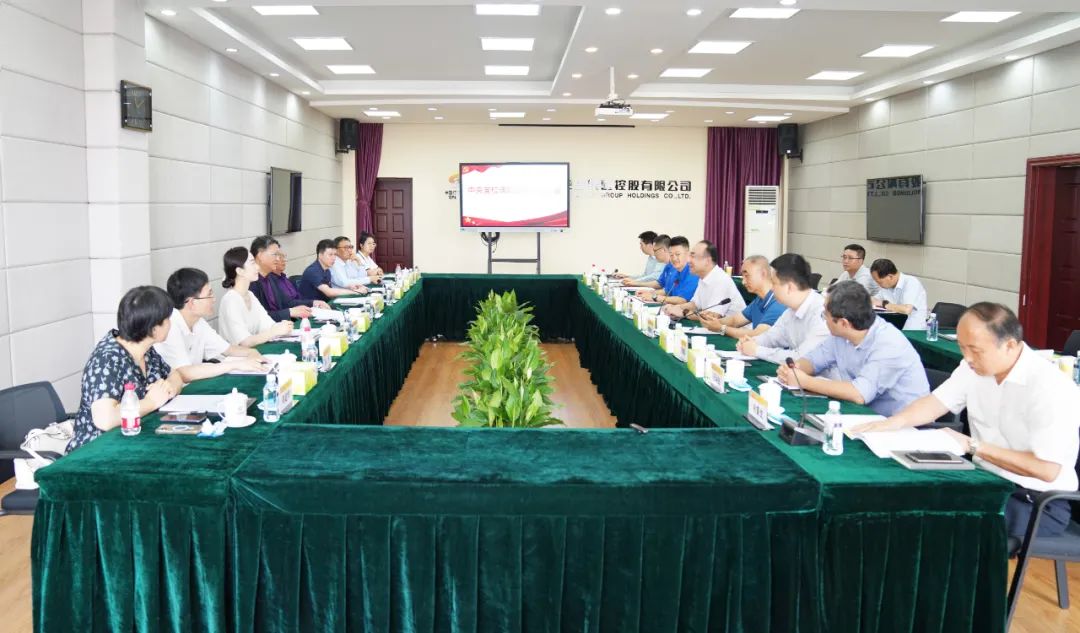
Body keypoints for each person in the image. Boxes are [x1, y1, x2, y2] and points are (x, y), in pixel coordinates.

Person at [854, 303, 1080, 539]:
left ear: (1010, 346)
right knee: (903, 495)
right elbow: (935, 403)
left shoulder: (1050, 388)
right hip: (985, 479)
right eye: (962, 347)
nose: (967, 358)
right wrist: (892, 423)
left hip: (1035, 502)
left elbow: (1046, 470)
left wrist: (973, 446)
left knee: (934, 517)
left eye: (975, 350)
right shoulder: (973, 368)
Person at [778, 281, 929, 416]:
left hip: (905, 425)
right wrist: (793, 370)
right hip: (865, 415)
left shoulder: (889, 343)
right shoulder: (841, 335)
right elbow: (813, 360)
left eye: (825, 315)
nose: (823, 319)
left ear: (844, 323)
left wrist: (805, 381)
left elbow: (859, 394)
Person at [67, 286, 185, 452]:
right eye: (167, 319)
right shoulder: (107, 359)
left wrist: (168, 388)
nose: (170, 324)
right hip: (99, 449)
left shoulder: (145, 350)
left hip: (137, 440)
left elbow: (175, 375)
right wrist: (151, 402)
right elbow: (105, 420)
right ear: (154, 329)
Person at [153, 268, 269, 380]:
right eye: (209, 294)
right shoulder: (169, 325)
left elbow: (227, 349)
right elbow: (185, 373)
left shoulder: (198, 321)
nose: (214, 299)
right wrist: (235, 365)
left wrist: (251, 352)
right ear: (192, 303)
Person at [738, 254, 832, 368]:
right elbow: (772, 337)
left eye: (774, 283)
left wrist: (757, 350)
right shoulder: (791, 310)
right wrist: (752, 342)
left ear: (789, 287)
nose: (771, 288)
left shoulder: (823, 313)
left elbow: (801, 358)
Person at [218, 247, 295, 346]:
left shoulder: (250, 295)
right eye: (252, 263)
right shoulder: (230, 300)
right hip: (237, 355)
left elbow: (267, 324)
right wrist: (274, 331)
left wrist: (281, 326)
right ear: (240, 271)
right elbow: (244, 342)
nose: (257, 267)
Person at [701, 255, 787, 338]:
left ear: (763, 274)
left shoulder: (778, 302)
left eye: (747, 276)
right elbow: (735, 321)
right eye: (743, 276)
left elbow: (758, 335)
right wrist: (712, 321)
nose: (743, 282)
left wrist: (721, 328)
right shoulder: (759, 300)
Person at [249, 235, 328, 321]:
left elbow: (287, 302)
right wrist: (289, 312)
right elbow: (257, 319)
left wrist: (313, 303)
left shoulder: (271, 278)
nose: (278, 259)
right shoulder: (251, 282)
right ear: (260, 255)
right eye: (275, 255)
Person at [665, 240, 746, 320]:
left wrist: (683, 312)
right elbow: (695, 304)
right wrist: (675, 308)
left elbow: (711, 317)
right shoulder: (703, 277)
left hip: (735, 328)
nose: (688, 260)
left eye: (693, 256)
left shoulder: (721, 280)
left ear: (707, 261)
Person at [634, 236, 698, 305]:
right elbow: (667, 291)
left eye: (677, 254)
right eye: (671, 255)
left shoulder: (693, 272)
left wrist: (654, 297)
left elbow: (682, 300)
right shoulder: (674, 270)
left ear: (688, 254)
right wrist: (649, 293)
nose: (674, 258)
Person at [299, 239, 370, 301]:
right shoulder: (313, 271)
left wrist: (351, 288)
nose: (334, 258)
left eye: (335, 254)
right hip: (310, 308)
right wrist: (356, 292)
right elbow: (329, 292)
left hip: (325, 305)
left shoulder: (327, 270)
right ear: (320, 255)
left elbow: (331, 293)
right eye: (330, 255)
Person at [869, 258, 928, 331]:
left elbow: (906, 310)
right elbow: (874, 300)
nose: (879, 285)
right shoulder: (886, 286)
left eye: (880, 282)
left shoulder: (911, 282)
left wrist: (884, 304)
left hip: (913, 331)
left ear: (890, 277)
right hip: (894, 329)